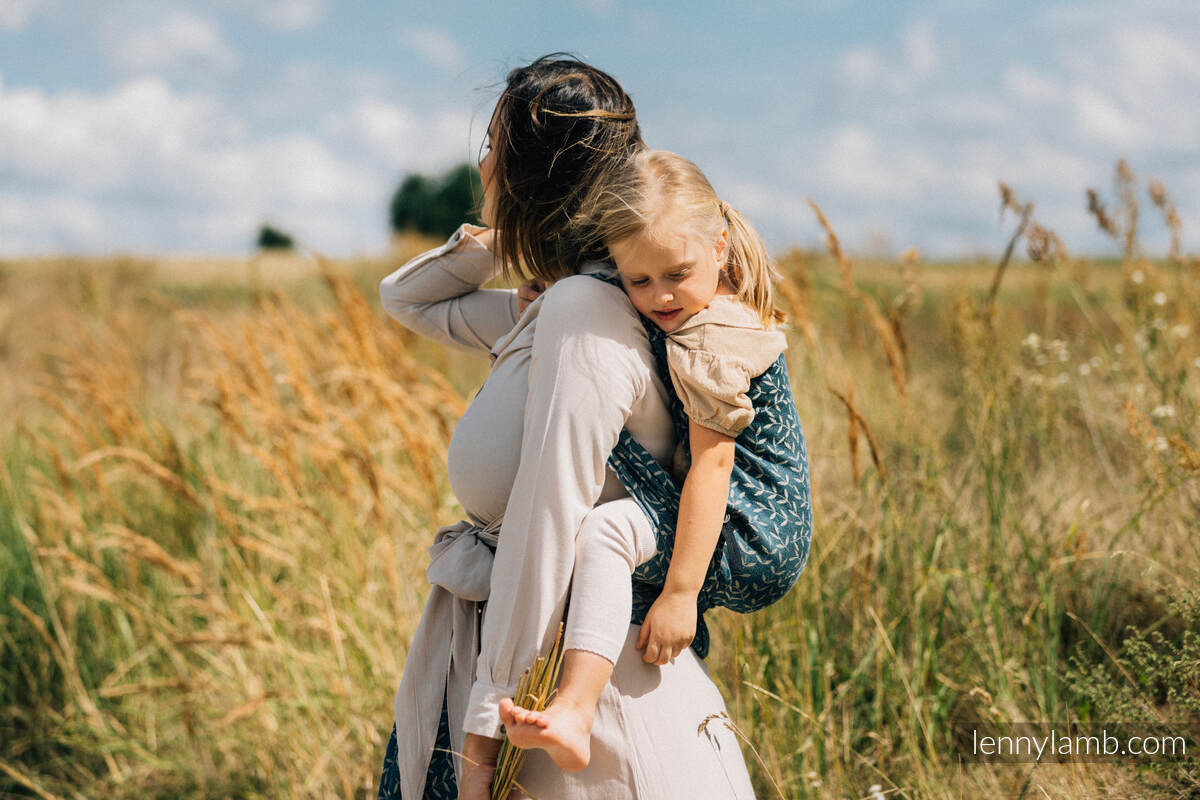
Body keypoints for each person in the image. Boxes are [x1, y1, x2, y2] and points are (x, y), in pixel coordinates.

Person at [376, 56, 756, 799]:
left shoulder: (591, 314)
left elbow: (548, 521)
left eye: (495, 148)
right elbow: (406, 299)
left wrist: (480, 750)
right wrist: (520, 234)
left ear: (531, 175)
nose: (481, 162)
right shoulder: (556, 303)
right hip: (541, 701)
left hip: (589, 728)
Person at [499, 149, 812, 772]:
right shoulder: (684, 288)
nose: (660, 295)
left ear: (719, 248)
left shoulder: (712, 339)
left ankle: (576, 710)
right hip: (732, 511)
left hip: (752, 526)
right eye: (637, 281)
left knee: (606, 530)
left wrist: (680, 594)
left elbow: (713, 468)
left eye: (675, 274)